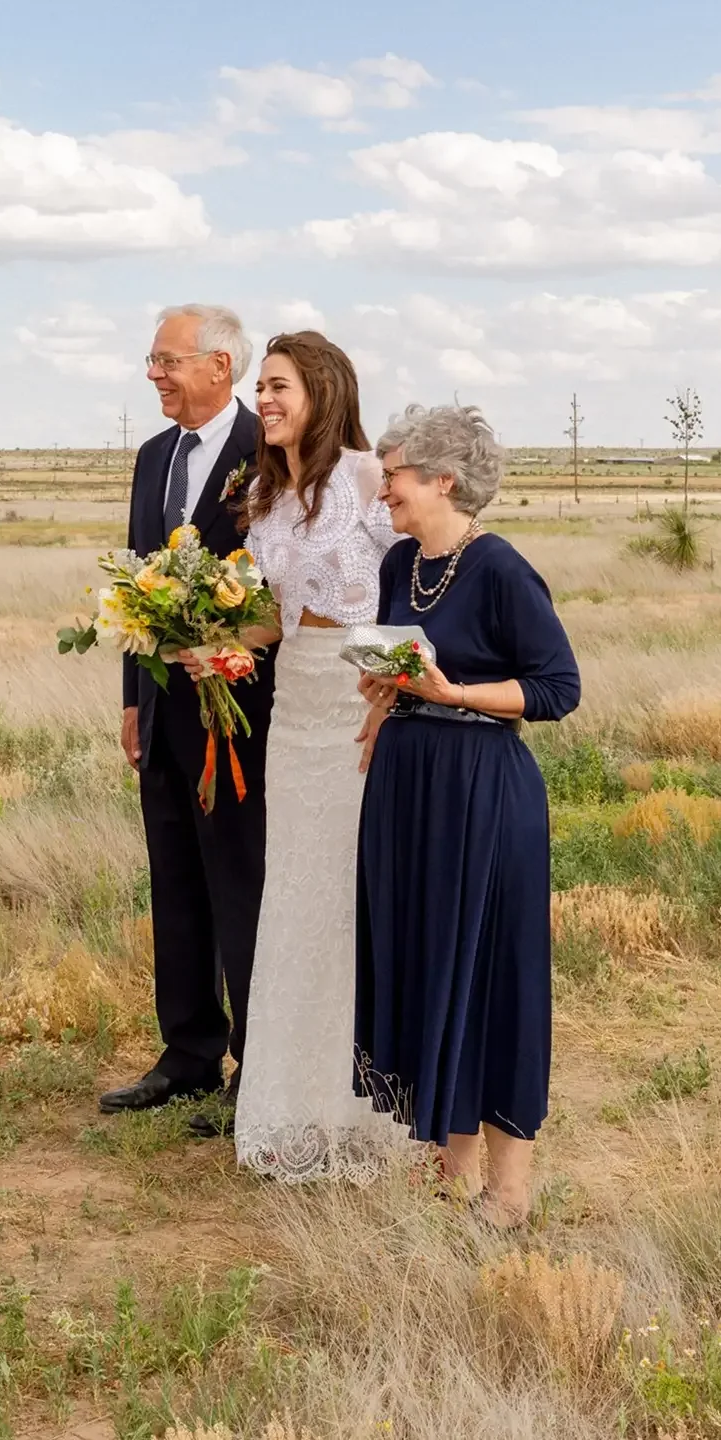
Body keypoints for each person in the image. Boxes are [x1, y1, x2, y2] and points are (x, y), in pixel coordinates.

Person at [353, 403, 581, 1226]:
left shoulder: (503, 570)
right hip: (408, 788)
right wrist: (383, 697)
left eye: (395, 478)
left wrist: (455, 694)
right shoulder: (399, 566)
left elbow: (559, 689)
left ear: (443, 480)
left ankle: (509, 1191)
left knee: (490, 976)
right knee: (427, 963)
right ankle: (451, 1167)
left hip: (483, 789)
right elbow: (397, 656)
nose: (385, 493)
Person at [227, 331, 409, 1179]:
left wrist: (404, 684)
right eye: (260, 388)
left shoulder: (370, 480)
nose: (263, 400)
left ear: (324, 390)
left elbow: (424, 577)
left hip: (360, 703)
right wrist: (204, 641)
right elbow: (275, 616)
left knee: (352, 894)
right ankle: (293, 1105)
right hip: (292, 710)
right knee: (295, 897)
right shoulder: (265, 496)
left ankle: (373, 1113)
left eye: (278, 386)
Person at [99, 304, 274, 1130]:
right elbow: (138, 587)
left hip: (241, 714)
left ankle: (259, 1068)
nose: (154, 374)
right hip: (165, 712)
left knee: (240, 883)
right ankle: (190, 1054)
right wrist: (135, 702)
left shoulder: (269, 458)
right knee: (174, 878)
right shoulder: (151, 457)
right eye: (152, 360)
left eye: (168, 362)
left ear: (220, 367)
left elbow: (284, 593)